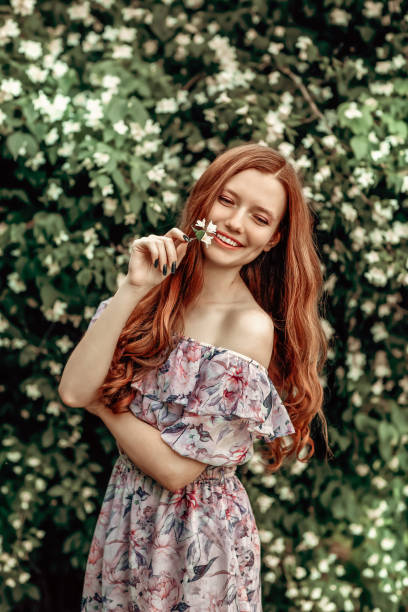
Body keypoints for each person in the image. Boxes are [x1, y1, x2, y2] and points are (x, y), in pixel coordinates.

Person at [59, 142, 330, 611]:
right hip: (126, 516)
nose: (235, 222)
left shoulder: (248, 327)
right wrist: (132, 287)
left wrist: (103, 398)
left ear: (273, 240)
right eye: (227, 200)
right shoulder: (150, 291)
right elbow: (71, 390)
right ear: (203, 201)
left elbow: (176, 470)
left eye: (259, 218)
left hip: (200, 539)